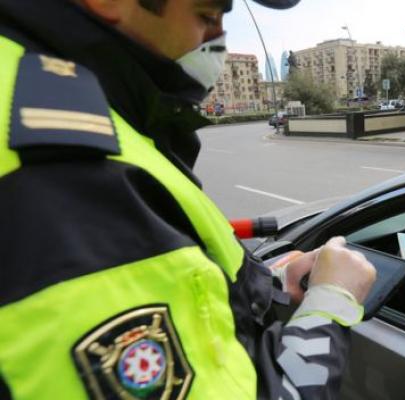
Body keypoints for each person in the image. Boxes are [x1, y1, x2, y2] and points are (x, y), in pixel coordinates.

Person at [0, 1, 376, 399]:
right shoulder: (63, 167)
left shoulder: (75, 105)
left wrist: (276, 282)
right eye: (207, 15)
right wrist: (331, 302)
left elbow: (185, 274)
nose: (217, 44)